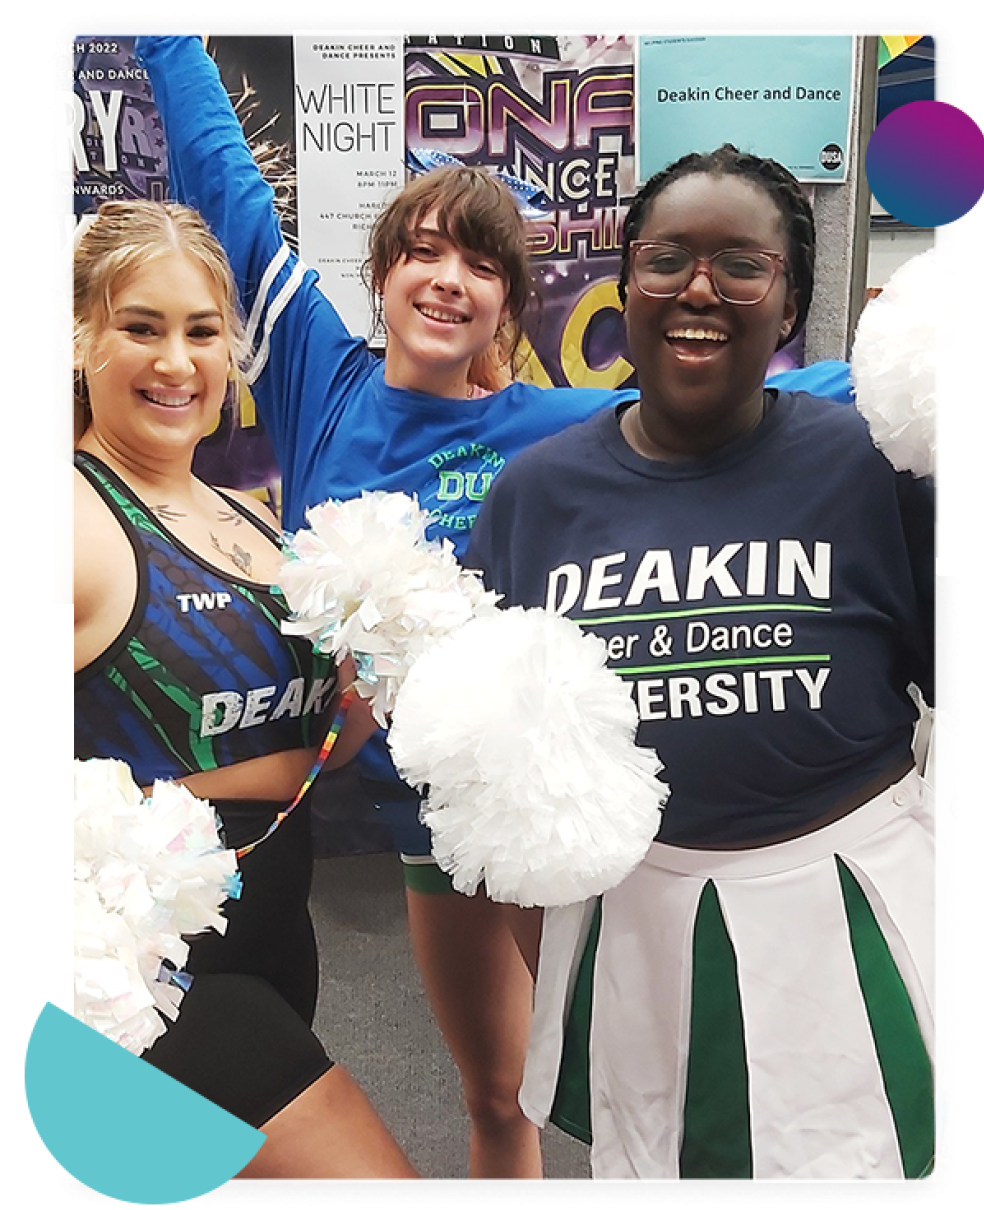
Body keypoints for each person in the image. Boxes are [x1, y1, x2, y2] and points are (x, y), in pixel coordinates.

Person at [134, 28, 639, 1182]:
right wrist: (166, 36)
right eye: (419, 253)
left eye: (476, 263)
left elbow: (746, 400)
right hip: (382, 824)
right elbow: (227, 184)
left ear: (506, 298)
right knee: (497, 1094)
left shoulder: (548, 428)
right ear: (383, 274)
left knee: (605, 1084)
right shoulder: (322, 375)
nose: (444, 279)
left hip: (509, 817)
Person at [463, 145, 957, 1183]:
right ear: (627, 286)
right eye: (667, 259)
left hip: (848, 901)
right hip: (633, 922)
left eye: (742, 265)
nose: (699, 287)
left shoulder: (869, 464)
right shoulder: (532, 496)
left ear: (787, 309)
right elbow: (501, 778)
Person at [54, 199, 419, 1183]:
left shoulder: (252, 520)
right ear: (75, 330)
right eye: (141, 326)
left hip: (273, 946)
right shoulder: (57, 511)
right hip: (151, 980)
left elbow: (311, 749)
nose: (177, 361)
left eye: (202, 330)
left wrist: (371, 680)